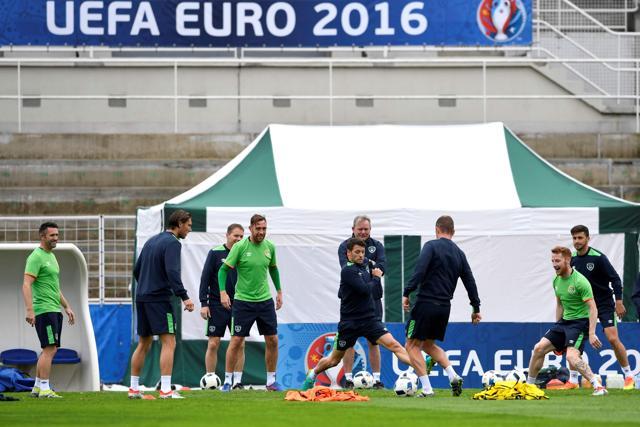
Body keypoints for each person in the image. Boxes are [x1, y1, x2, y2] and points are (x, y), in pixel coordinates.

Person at [302, 238, 412, 391]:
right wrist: (376, 277)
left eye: (362, 252)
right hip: (350, 324)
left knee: (394, 345)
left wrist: (374, 273)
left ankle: (420, 365)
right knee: (333, 360)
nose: (361, 255)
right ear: (348, 253)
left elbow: (376, 286)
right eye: (357, 252)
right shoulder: (348, 270)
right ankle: (312, 374)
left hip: (369, 320)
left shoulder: (366, 266)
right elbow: (365, 290)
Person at [403, 215, 481, 397]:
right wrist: (475, 308)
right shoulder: (459, 253)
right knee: (428, 345)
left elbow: (420, 270)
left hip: (425, 303)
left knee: (411, 345)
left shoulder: (431, 246)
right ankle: (453, 375)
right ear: (453, 232)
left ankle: (428, 389)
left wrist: (407, 292)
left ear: (437, 229)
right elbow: (470, 282)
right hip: (444, 307)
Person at [129, 210, 195, 399]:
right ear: (180, 223)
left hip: (142, 297)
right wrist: (184, 297)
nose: (189, 229)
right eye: (189, 225)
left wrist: (148, 284)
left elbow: (137, 270)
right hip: (158, 300)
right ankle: (166, 389)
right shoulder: (173, 243)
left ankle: (133, 388)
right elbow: (172, 272)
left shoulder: (152, 240)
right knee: (169, 342)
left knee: (144, 343)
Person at [526, 246, 607, 396]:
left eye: (557, 261)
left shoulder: (580, 282)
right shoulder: (556, 280)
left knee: (571, 356)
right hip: (564, 323)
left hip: (580, 324)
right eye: (552, 261)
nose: (554, 264)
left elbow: (593, 308)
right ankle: (528, 387)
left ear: (568, 260)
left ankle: (598, 387)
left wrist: (591, 333)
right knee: (539, 348)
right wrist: (558, 327)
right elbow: (559, 304)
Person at [218, 214, 283, 391]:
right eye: (258, 228)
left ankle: (270, 381)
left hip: (264, 301)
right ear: (251, 228)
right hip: (243, 302)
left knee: (273, 340)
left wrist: (279, 291)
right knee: (236, 340)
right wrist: (223, 293)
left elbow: (273, 269)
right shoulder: (239, 247)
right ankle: (227, 381)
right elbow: (223, 271)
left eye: (264, 228)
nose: (261, 232)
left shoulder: (270, 247)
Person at [566, 225, 635, 390]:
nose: (577, 241)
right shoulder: (572, 259)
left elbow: (616, 279)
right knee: (573, 342)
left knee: (612, 338)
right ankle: (573, 381)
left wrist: (618, 302)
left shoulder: (598, 258)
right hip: (583, 307)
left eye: (580, 237)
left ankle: (629, 376)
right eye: (574, 238)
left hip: (603, 304)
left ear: (588, 238)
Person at [22, 222, 75, 399]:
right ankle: (45, 389)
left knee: (48, 349)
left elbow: (54, 288)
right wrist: (30, 310)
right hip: (44, 310)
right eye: (52, 235)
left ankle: (37, 388)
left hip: (54, 309)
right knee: (50, 349)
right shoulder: (36, 257)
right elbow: (26, 284)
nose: (56, 238)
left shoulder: (51, 257)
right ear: (42, 236)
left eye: (57, 235)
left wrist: (66, 306)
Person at [337, 215, 386, 389]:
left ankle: (377, 379)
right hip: (352, 301)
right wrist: (371, 267)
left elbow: (382, 269)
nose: (363, 232)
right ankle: (348, 379)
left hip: (373, 299)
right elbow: (347, 268)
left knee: (374, 341)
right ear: (353, 230)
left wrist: (371, 267)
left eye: (366, 229)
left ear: (370, 230)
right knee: (349, 342)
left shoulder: (377, 246)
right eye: (360, 229)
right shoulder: (344, 246)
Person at [199, 223, 246, 390]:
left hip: (239, 305)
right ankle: (210, 380)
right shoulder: (215, 253)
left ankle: (237, 382)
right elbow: (205, 278)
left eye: (241, 236)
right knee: (213, 343)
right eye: (236, 236)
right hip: (216, 304)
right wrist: (204, 304)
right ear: (227, 235)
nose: (239, 239)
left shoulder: (244, 253)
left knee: (239, 343)